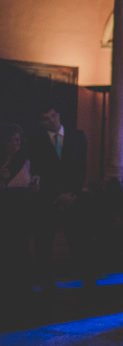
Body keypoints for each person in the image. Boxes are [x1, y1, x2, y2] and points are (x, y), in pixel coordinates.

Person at [29, 103, 88, 289]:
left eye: (53, 116)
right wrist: (56, 195)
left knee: (79, 241)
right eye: (46, 118)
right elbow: (37, 170)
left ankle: (89, 283)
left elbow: (82, 167)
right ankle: (47, 284)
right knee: (44, 243)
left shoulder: (78, 136)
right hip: (48, 199)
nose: (51, 121)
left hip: (73, 197)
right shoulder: (36, 140)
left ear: (59, 115)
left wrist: (73, 194)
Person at [0, 122, 39, 303]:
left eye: (17, 140)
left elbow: (33, 184)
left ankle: (20, 292)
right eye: (10, 140)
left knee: (19, 252)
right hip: (4, 212)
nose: (14, 143)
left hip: (19, 213)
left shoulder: (26, 161)